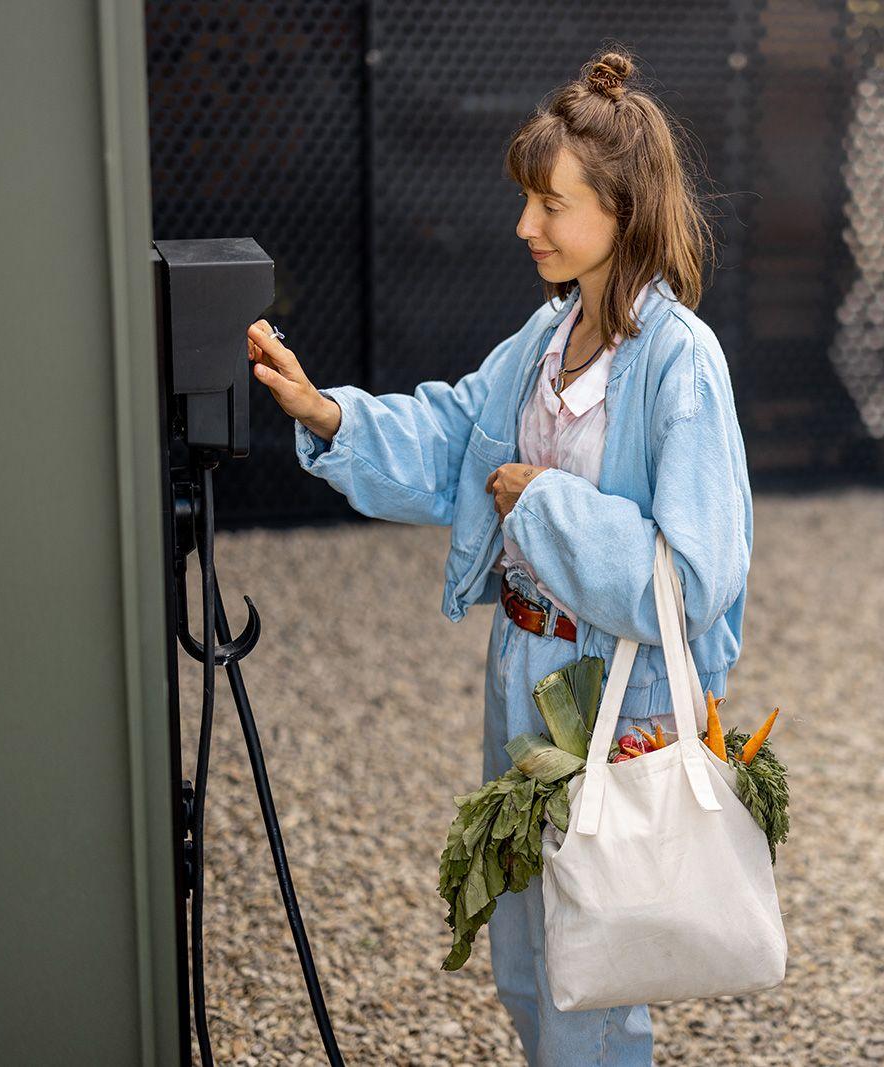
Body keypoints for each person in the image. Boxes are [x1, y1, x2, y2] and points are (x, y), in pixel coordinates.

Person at [245, 45, 753, 1067]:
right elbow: (454, 438)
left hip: (616, 694)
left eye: (551, 205)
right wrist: (326, 411)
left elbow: (695, 580)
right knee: (529, 962)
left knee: (593, 970)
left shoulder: (681, 362)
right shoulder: (546, 335)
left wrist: (549, 503)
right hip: (523, 674)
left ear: (623, 210)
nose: (527, 226)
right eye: (529, 201)